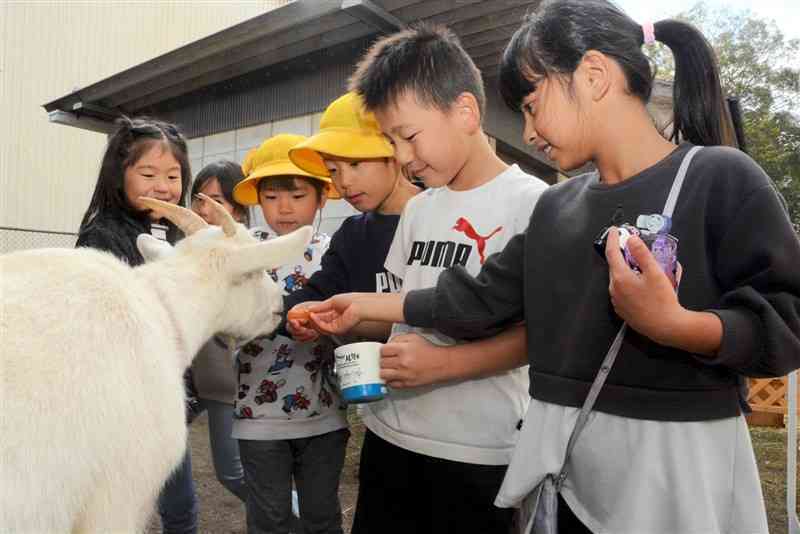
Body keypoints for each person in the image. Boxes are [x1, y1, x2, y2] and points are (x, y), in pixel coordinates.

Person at [307, 2, 800, 533]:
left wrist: (678, 325)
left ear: (593, 75)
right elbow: (479, 299)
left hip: (675, 469)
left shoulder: (719, 177)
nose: (529, 129)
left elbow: (786, 319)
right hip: (569, 472)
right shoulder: (556, 207)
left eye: (532, 103)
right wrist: (362, 304)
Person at [301, 25, 549, 534]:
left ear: (465, 111)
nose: (403, 155)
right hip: (390, 436)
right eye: (391, 141)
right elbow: (399, 308)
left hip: (478, 449)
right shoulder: (419, 209)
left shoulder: (534, 204)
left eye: (408, 135)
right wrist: (349, 318)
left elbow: (538, 336)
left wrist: (447, 364)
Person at [76, 116, 200, 534]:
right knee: (118, 506)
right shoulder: (102, 234)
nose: (163, 186)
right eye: (148, 173)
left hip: (168, 394)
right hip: (124, 396)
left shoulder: (182, 236)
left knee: (179, 502)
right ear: (119, 175)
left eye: (173, 175)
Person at [230, 134, 349, 534]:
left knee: (321, 516)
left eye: (297, 195)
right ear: (257, 200)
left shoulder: (336, 252)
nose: (284, 208)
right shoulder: (244, 255)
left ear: (320, 198)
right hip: (258, 416)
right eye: (272, 196)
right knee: (269, 519)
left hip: (324, 415)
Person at [281, 91, 420, 345]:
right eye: (333, 170)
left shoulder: (440, 216)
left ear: (394, 152)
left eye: (355, 164)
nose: (344, 182)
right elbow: (319, 293)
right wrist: (300, 316)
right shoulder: (351, 236)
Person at [188, 160, 249, 503]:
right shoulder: (200, 247)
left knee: (234, 474)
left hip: (227, 384)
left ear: (238, 209)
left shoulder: (239, 250)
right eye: (199, 199)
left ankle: (303, 524)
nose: (203, 209)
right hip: (199, 380)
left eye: (216, 201)